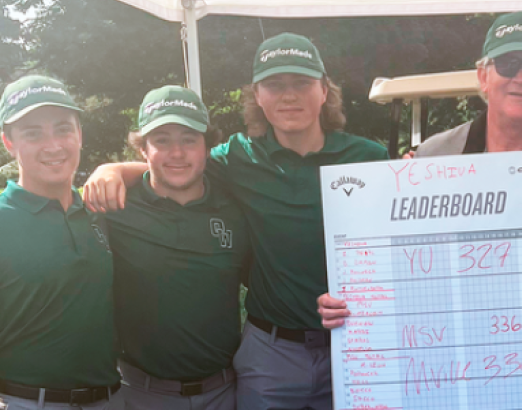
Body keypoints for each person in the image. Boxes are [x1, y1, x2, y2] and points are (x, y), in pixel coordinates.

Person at [82, 33, 389, 410]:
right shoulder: (239, 157)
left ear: (325, 90)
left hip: (357, 338)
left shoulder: (370, 157)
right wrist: (110, 169)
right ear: (257, 96)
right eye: (274, 85)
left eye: (302, 83)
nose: (288, 95)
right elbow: (176, 165)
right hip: (272, 349)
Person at [317, 12, 522, 357]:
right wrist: (349, 299)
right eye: (507, 64)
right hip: (445, 356)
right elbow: (395, 263)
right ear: (483, 77)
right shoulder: (433, 156)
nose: (521, 77)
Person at [104, 86, 252, 409]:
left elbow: (268, 284)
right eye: (162, 140)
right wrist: (107, 170)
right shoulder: (115, 209)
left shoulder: (236, 210)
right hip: (141, 394)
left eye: (189, 139)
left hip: (224, 393)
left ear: (207, 147)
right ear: (143, 148)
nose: (177, 153)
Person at [0, 76, 121, 408]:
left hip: (109, 399)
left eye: (63, 129)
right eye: (33, 133)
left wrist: (117, 169)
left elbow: (169, 173)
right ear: (8, 143)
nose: (53, 145)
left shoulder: (99, 210)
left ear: (80, 135)